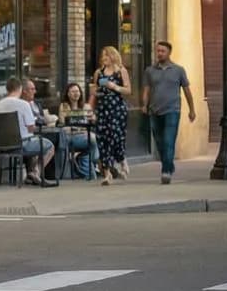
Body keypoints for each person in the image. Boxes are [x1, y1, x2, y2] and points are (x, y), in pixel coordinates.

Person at [140, 40, 197, 185]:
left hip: (172, 110)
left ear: (169, 52)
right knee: (159, 143)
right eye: (157, 51)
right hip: (154, 110)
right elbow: (146, 90)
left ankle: (166, 172)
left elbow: (187, 91)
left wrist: (192, 109)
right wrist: (144, 105)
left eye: (162, 51)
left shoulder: (178, 70)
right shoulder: (150, 71)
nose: (159, 53)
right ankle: (169, 165)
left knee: (168, 141)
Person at [0, 78, 56, 185]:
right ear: (20, 89)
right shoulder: (23, 104)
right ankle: (35, 172)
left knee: (35, 143)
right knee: (49, 146)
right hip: (21, 144)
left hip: (1, 145)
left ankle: (30, 175)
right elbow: (31, 127)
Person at [89, 45, 131, 185]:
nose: (104, 59)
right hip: (103, 109)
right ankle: (107, 174)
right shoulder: (98, 73)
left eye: (106, 56)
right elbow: (94, 92)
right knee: (102, 140)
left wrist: (114, 87)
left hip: (117, 109)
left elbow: (128, 90)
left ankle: (121, 158)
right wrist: (93, 100)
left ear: (113, 56)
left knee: (116, 136)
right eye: (102, 56)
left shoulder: (121, 71)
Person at [58, 82, 99, 180]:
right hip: (70, 137)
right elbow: (63, 125)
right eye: (73, 91)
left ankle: (82, 159)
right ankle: (93, 162)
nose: (76, 93)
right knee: (92, 138)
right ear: (68, 94)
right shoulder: (64, 106)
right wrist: (80, 129)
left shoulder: (86, 107)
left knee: (92, 176)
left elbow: (92, 122)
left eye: (77, 91)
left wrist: (93, 118)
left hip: (84, 136)